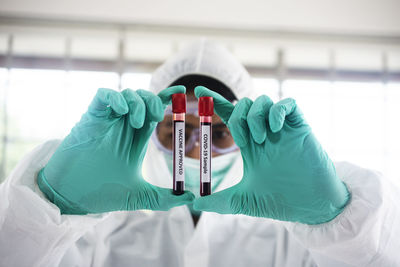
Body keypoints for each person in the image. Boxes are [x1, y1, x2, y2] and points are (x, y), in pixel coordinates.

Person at [0, 39, 399, 267]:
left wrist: (339, 220)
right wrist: (48, 208)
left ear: (245, 135)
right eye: (178, 130)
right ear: (151, 129)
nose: (193, 150)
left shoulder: (295, 237)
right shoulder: (99, 228)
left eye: (216, 133)